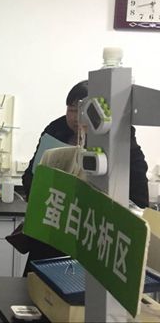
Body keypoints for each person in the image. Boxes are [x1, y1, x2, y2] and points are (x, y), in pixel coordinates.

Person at [21, 80, 149, 274]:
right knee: (37, 283)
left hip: (93, 237)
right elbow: (31, 176)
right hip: (52, 228)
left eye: (83, 111)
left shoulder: (121, 140)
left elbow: (138, 198)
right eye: (71, 110)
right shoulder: (55, 130)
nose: (76, 118)